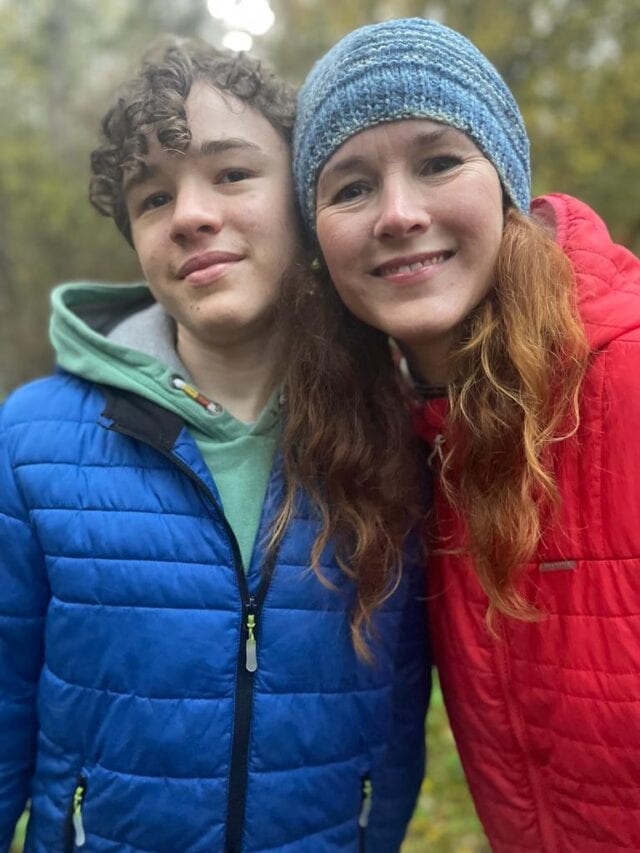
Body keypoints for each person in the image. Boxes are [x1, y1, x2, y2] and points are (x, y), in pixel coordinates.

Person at [0, 37, 429, 852]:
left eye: (232, 174)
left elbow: (400, 709)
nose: (192, 214)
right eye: (152, 198)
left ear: (304, 203)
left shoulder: (392, 433)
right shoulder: (31, 442)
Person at [293, 16, 640, 853]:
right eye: (349, 187)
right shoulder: (394, 441)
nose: (399, 214)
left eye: (439, 160)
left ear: (507, 185)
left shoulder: (625, 376)